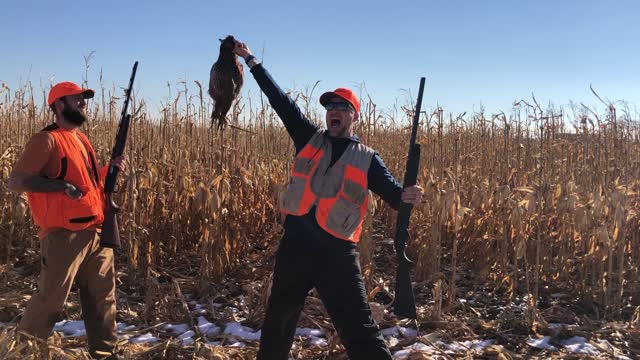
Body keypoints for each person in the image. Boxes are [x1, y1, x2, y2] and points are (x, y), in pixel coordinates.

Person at [232, 39, 423, 360]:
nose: (333, 112)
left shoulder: (368, 159)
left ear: (354, 117)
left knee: (359, 329)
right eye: (329, 107)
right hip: (295, 248)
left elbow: (395, 197)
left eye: (341, 108)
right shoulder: (307, 136)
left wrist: (410, 195)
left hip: (337, 255)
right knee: (278, 322)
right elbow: (280, 101)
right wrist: (250, 60)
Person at [8, 81, 126, 360]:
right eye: (77, 100)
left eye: (84, 99)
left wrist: (110, 170)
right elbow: (17, 181)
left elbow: (89, 181)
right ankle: (24, 353)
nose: (83, 104)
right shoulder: (46, 140)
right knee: (50, 301)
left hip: (96, 232)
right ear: (59, 105)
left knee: (103, 301)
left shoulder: (80, 139)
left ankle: (105, 354)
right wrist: (60, 187)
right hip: (64, 236)